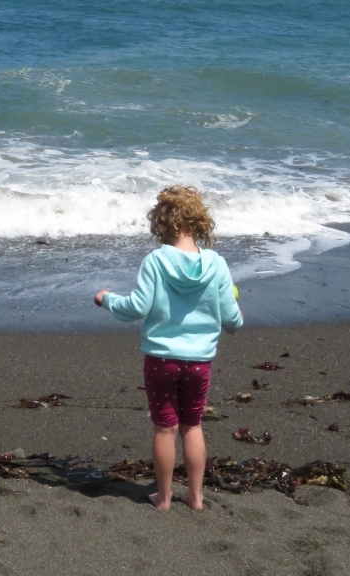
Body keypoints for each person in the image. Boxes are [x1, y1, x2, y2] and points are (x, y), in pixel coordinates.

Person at [94, 185, 242, 511]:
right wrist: (237, 318)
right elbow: (231, 318)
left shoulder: (156, 261)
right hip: (199, 361)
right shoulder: (216, 264)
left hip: (162, 359)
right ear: (199, 221)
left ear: (161, 223)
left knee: (165, 428)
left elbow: (136, 307)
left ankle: (164, 497)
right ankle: (196, 496)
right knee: (192, 425)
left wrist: (107, 299)